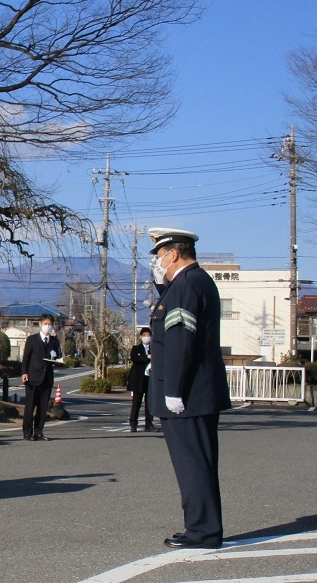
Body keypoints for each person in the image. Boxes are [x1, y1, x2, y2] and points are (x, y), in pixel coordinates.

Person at [147, 227, 231, 549]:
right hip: (197, 391)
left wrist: (174, 390)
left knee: (193, 464)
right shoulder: (192, 282)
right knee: (198, 462)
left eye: (159, 255)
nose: (157, 262)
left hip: (188, 393)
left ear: (173, 253)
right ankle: (201, 526)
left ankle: (203, 531)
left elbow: (181, 340)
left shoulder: (186, 284)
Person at [21, 315, 62, 441]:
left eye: (50, 324)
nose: (48, 326)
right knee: (30, 406)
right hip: (32, 377)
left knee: (43, 407)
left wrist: (58, 360)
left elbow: (58, 357)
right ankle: (27, 432)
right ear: (40, 324)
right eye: (45, 323)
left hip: (47, 377)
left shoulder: (54, 341)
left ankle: (39, 431)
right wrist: (24, 373)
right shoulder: (32, 339)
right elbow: (26, 358)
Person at [128, 327, 156, 433]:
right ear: (141, 336)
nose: (146, 337)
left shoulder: (154, 348)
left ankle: (149, 424)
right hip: (138, 379)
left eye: (148, 335)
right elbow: (134, 358)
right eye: (144, 335)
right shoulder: (136, 348)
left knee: (149, 403)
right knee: (136, 402)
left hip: (150, 378)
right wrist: (146, 357)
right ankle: (133, 424)